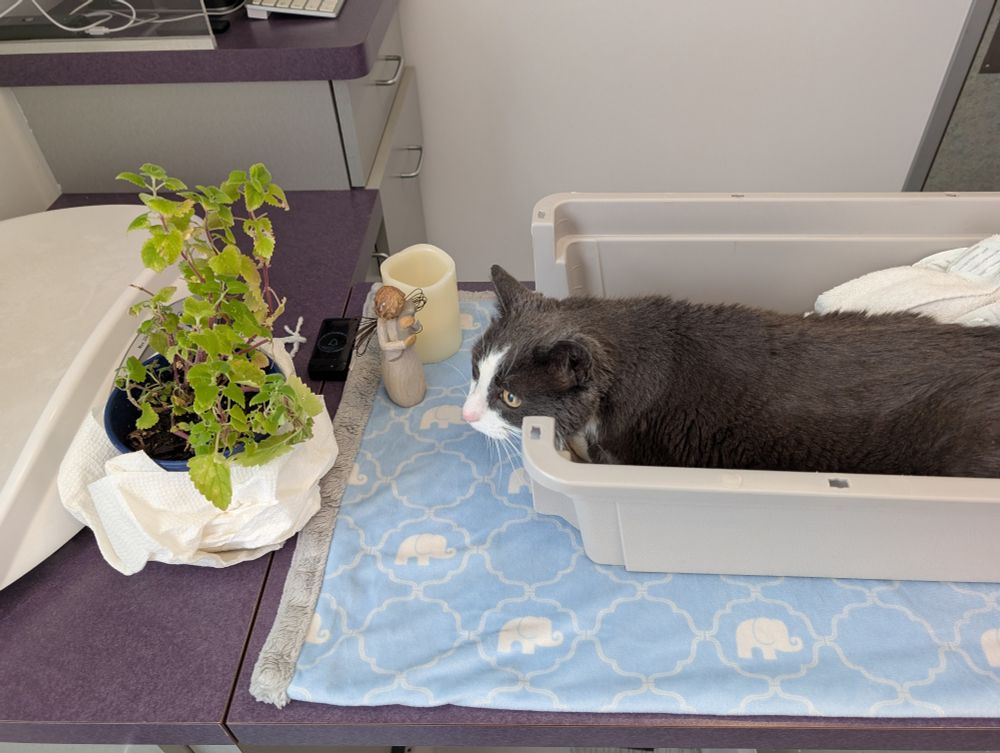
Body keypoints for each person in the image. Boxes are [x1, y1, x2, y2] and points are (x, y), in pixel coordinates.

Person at [374, 285, 427, 407]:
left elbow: (417, 329)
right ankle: (404, 399)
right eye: (398, 303)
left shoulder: (405, 314)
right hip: (395, 360)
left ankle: (418, 393)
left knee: (414, 374)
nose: (402, 305)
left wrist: (413, 322)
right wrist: (403, 344)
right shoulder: (382, 322)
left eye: (402, 302)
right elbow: (383, 345)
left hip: (410, 355)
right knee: (401, 380)